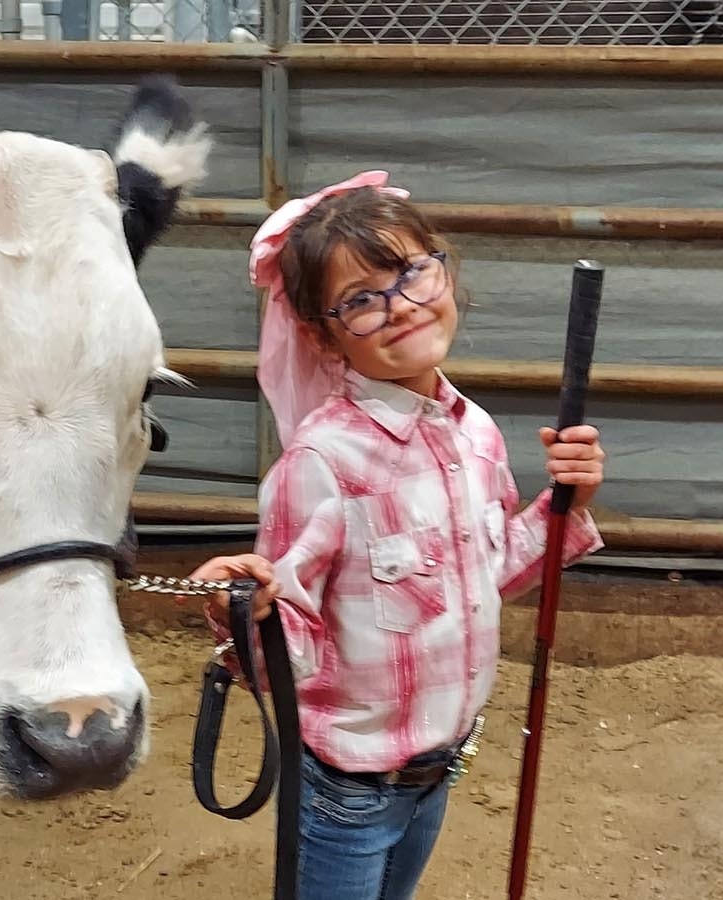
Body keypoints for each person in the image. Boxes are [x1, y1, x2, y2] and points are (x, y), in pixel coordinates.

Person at [186, 171, 608, 900]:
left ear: (444, 270)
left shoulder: (474, 432)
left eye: (413, 273)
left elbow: (491, 571)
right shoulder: (321, 465)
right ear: (322, 334)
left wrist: (566, 504)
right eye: (360, 300)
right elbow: (293, 654)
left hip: (438, 768)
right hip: (352, 790)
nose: (400, 307)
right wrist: (249, 611)